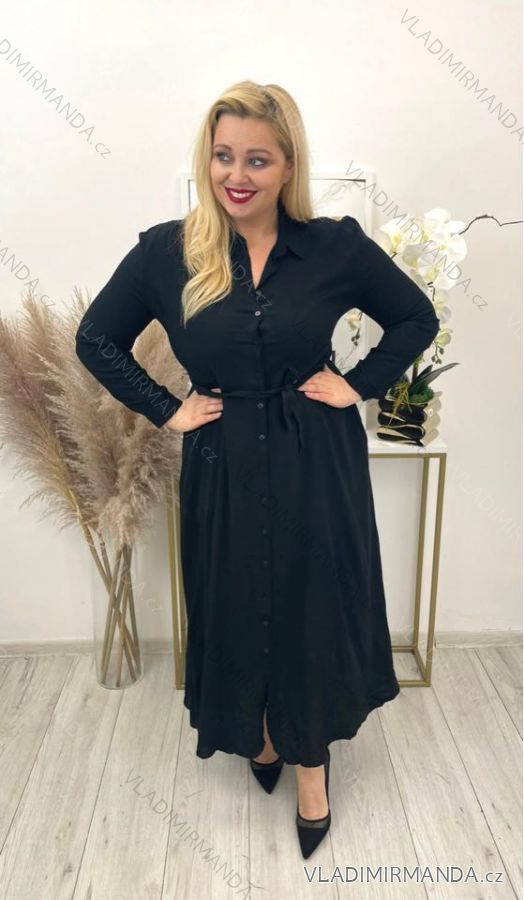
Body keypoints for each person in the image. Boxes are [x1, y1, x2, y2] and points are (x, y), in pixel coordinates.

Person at [75, 79, 440, 859]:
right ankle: (261, 732)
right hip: (224, 456)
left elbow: (417, 315)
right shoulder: (166, 252)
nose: (236, 175)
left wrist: (359, 384)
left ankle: (311, 763)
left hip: (317, 458)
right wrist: (167, 408)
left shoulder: (335, 246)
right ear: (206, 159)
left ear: (288, 166)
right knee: (237, 598)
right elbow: (95, 338)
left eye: (257, 160)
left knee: (313, 603)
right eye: (223, 156)